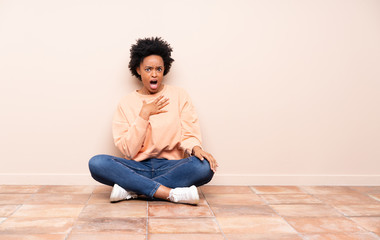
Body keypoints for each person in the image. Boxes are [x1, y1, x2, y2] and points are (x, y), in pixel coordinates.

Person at [88, 37, 218, 205]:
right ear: (138, 70)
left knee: (204, 167)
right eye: (148, 69)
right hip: (137, 167)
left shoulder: (179, 95)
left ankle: (134, 190)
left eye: (159, 69)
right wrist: (144, 115)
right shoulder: (126, 103)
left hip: (172, 166)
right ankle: (170, 193)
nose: (154, 74)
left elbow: (189, 133)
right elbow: (128, 149)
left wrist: (196, 148)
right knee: (97, 163)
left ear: (165, 70)